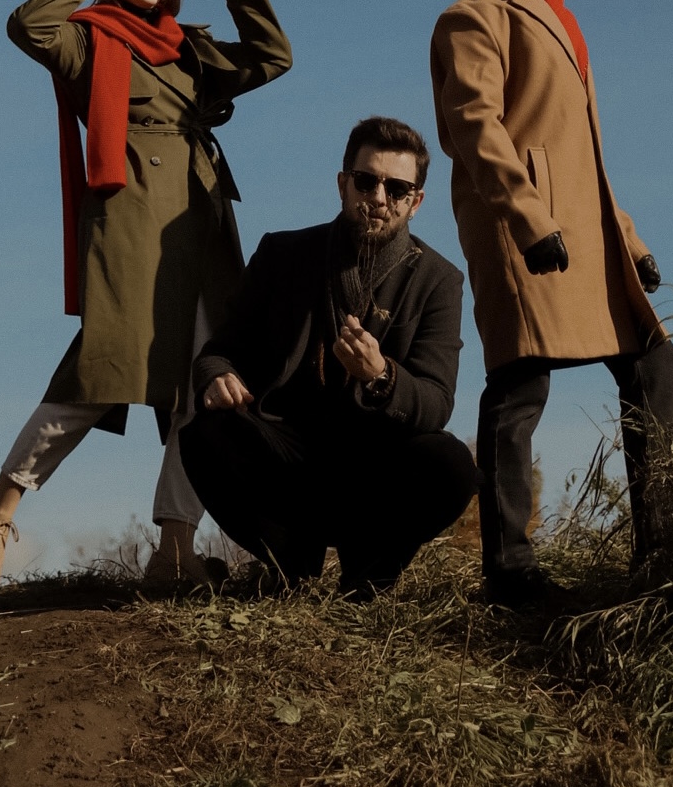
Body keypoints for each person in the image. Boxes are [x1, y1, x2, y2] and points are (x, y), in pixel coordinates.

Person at [0, 0, 291, 594]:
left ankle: (174, 549)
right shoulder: (87, 38)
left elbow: (271, 57)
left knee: (207, 380)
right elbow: (27, 26)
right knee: (102, 369)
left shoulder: (189, 47)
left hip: (201, 222)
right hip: (131, 218)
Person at [430, 0, 673, 607]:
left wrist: (628, 238)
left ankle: (662, 552)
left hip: (585, 229)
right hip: (522, 223)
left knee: (654, 363)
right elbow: (473, 126)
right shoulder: (471, 15)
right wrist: (528, 219)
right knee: (520, 379)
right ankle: (509, 571)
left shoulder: (555, 11)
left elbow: (584, 155)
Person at [179, 117, 474, 599]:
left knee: (452, 466)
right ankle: (289, 567)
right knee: (205, 433)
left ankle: (367, 580)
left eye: (397, 188)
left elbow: (436, 402)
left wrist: (382, 376)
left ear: (416, 201)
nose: (379, 197)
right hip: (287, 453)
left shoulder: (440, 280)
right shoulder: (282, 253)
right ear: (343, 184)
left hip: (376, 467)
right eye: (366, 181)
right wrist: (217, 376)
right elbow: (222, 350)